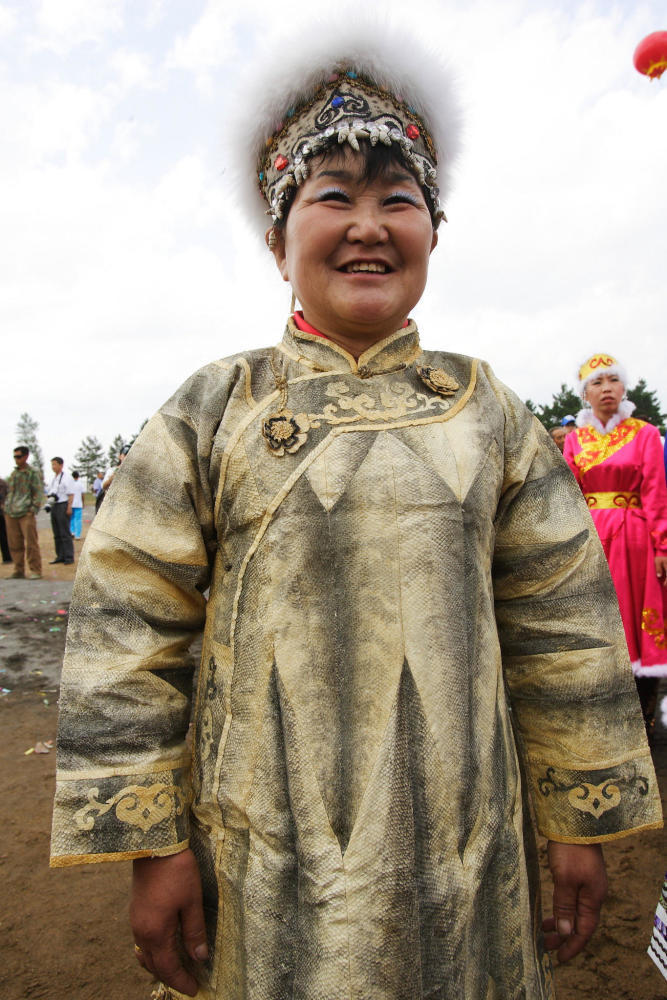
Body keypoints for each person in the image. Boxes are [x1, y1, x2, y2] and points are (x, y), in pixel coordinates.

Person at [51, 23, 661, 1000]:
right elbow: (127, 620)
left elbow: (561, 623)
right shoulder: (215, 408)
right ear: (277, 241)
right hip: (259, 864)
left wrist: (576, 817)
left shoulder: (489, 412)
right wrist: (150, 843)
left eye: (398, 201)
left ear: (433, 234)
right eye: (333, 197)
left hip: (469, 862)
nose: (369, 224)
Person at [564, 353, 667, 740]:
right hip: (591, 538)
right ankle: (600, 710)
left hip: (635, 537)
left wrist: (662, 546)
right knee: (595, 617)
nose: (606, 388)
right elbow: (569, 495)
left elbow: (656, 492)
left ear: (624, 388)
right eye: (597, 382)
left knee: (637, 618)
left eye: (612, 380)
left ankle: (644, 714)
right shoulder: (575, 439)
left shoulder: (644, 433)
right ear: (585, 393)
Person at [4, 446, 42, 579]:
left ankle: (35, 570)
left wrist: (33, 509)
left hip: (26, 512)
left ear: (26, 456)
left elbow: (38, 492)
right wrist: (6, 508)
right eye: (15, 457)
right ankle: (18, 570)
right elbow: (10, 492)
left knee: (31, 543)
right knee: (14, 543)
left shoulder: (32, 473)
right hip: (11, 512)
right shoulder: (14, 474)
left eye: (19, 456)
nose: (16, 459)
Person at [45, 457, 75, 565]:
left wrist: (69, 507)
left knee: (64, 532)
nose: (53, 467)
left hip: (63, 504)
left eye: (54, 464)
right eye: (52, 465)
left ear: (61, 465)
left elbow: (71, 494)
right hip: (54, 505)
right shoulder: (53, 479)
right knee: (56, 532)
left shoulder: (67, 478)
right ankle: (60, 555)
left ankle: (69, 556)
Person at [69, 471, 86, 540]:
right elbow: (83, 494)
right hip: (78, 504)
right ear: (78, 476)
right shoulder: (80, 484)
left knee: (71, 519)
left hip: (71, 504)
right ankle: (77, 535)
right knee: (78, 520)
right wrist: (83, 502)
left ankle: (72, 532)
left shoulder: (70, 484)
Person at [0, 477, 12, 563]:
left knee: (4, 536)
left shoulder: (3, 483)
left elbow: (8, 496)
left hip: (2, 513)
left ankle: (7, 557)